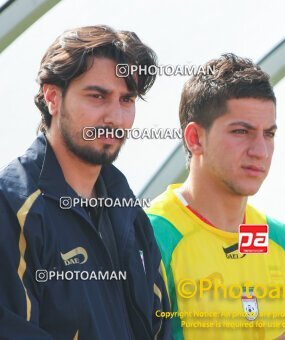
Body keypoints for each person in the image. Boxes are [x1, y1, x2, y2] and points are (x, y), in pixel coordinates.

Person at [146, 53, 285, 340]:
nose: (260, 151)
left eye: (269, 134)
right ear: (195, 138)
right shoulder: (150, 236)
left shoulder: (281, 241)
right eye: (241, 131)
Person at [0, 25, 171, 339]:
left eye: (126, 100)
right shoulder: (12, 209)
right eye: (97, 96)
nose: (115, 117)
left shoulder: (131, 216)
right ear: (52, 96)